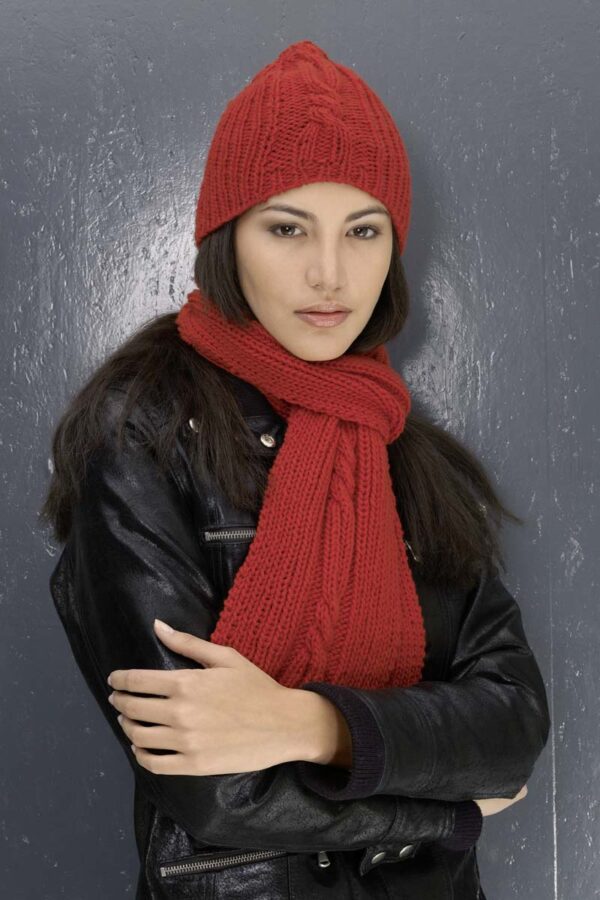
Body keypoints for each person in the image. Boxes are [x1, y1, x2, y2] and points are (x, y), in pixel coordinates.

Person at [40, 40, 550, 900]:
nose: (330, 273)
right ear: (227, 239)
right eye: (287, 228)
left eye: (363, 231)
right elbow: (211, 784)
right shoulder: (141, 435)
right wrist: (448, 813)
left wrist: (307, 724)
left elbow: (513, 728)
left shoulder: (405, 452)